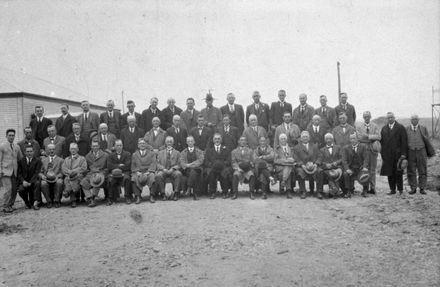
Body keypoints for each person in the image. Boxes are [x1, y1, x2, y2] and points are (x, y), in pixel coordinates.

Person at [380, 112, 408, 195]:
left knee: (398, 172)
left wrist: (403, 154)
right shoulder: (384, 128)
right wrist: (382, 153)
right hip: (387, 155)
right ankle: (392, 189)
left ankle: (400, 190)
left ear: (394, 118)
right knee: (389, 173)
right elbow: (382, 142)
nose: (390, 119)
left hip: (398, 154)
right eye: (388, 118)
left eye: (391, 117)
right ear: (386, 119)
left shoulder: (400, 127)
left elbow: (404, 142)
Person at [406, 114, 432, 195]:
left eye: (416, 119)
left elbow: (427, 140)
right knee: (411, 170)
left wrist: (428, 151)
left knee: (422, 170)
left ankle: (422, 188)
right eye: (413, 119)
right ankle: (413, 188)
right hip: (410, 151)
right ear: (410, 120)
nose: (414, 120)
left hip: (421, 151)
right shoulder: (406, 129)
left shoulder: (423, 128)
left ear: (418, 120)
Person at [356, 111, 381, 194]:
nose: (366, 118)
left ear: (370, 117)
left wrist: (368, 136)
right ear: (363, 118)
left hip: (373, 149)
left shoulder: (375, 126)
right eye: (365, 117)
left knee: (373, 169)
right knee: (365, 169)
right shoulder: (359, 127)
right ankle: (365, 188)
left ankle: (373, 188)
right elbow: (359, 138)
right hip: (363, 150)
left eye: (368, 116)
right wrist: (372, 138)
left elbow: (379, 137)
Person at [80, 140, 109, 207]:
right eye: (93, 146)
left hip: (101, 173)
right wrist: (89, 172)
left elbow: (108, 168)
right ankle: (90, 198)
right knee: (83, 182)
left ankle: (94, 197)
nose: (95, 147)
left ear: (99, 146)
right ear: (91, 147)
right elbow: (86, 168)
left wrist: (103, 172)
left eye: (96, 146)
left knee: (97, 179)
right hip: (91, 174)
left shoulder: (105, 155)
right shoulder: (87, 156)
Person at [203, 133, 232, 199]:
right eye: (215, 139)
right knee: (211, 173)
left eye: (219, 139)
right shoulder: (209, 150)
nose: (217, 140)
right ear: (213, 140)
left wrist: (222, 164)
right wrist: (212, 165)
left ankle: (225, 192)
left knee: (224, 172)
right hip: (213, 168)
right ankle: (212, 192)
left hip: (223, 168)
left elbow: (228, 160)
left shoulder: (226, 149)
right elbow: (206, 161)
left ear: (221, 140)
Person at [293, 131, 320, 199]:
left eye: (306, 137)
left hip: (313, 165)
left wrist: (316, 164)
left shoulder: (314, 146)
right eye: (303, 137)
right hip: (302, 166)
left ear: (309, 138)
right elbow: (296, 158)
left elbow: (319, 156)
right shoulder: (296, 147)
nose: (305, 138)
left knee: (320, 171)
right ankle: (303, 191)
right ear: (301, 139)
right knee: (300, 172)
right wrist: (302, 165)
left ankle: (318, 191)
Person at [1, 129, 23, 213]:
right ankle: (5, 206)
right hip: (5, 171)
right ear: (6, 136)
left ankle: (10, 205)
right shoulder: (2, 146)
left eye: (13, 135)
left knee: (14, 189)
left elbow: (20, 159)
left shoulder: (17, 147)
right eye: (9, 135)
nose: (11, 137)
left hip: (14, 171)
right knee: (8, 189)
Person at [342, 133, 369, 197]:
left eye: (354, 138)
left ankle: (365, 191)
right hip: (351, 168)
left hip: (360, 168)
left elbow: (366, 158)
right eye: (351, 139)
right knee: (346, 174)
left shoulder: (363, 146)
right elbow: (344, 160)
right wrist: (347, 169)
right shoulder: (346, 148)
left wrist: (364, 167)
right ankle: (348, 191)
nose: (352, 140)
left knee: (366, 172)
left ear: (357, 139)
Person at [316, 133, 343, 197]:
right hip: (327, 168)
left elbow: (342, 158)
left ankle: (333, 189)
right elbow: (320, 160)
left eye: (330, 138)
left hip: (337, 167)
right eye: (327, 139)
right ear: (325, 140)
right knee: (326, 172)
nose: (328, 140)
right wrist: (326, 164)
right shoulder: (322, 150)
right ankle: (335, 189)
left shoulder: (338, 147)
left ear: (332, 139)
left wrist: (336, 162)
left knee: (333, 172)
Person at [131, 138, 157, 204]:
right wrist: (137, 172)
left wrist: (149, 172)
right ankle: (138, 196)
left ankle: (152, 196)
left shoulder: (151, 153)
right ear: (138, 145)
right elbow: (133, 165)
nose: (142, 145)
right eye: (140, 143)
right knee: (134, 178)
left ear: (146, 144)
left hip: (148, 171)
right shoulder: (134, 154)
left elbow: (153, 163)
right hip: (138, 172)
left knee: (152, 176)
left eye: (143, 143)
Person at [38, 143, 64, 208]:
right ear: (47, 150)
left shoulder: (61, 160)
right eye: (50, 149)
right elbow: (39, 172)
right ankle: (48, 201)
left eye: (53, 149)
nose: (51, 151)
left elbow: (63, 171)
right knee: (43, 183)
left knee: (59, 182)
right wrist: (42, 176)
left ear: (55, 150)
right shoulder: (43, 160)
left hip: (56, 178)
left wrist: (58, 176)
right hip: (46, 178)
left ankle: (57, 201)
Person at [156, 137, 182, 201]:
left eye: (170, 142)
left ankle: (176, 193)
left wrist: (173, 169)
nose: (169, 143)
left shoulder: (177, 153)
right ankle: (163, 194)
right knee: (159, 175)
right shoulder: (160, 152)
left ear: (173, 143)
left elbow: (180, 164)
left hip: (173, 171)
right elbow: (157, 163)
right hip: (164, 170)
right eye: (168, 142)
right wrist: (163, 169)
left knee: (178, 174)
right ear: (165, 143)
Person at [62, 143, 87, 208]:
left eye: (75, 149)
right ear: (69, 150)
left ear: (78, 149)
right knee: (69, 179)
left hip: (79, 176)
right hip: (69, 177)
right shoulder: (66, 159)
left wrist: (74, 172)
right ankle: (72, 198)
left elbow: (83, 168)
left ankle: (69, 193)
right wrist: (69, 172)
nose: (73, 150)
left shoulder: (82, 158)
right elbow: (64, 169)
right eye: (71, 149)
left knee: (73, 180)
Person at [107, 139, 132, 205]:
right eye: (117, 145)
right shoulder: (110, 155)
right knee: (110, 179)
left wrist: (115, 166)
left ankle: (127, 197)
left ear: (122, 146)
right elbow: (109, 166)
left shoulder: (127, 154)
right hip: (113, 174)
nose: (119, 147)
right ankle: (111, 198)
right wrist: (119, 165)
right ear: (114, 146)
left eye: (120, 145)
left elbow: (127, 166)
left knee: (127, 178)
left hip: (124, 173)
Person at [17, 144, 42, 210]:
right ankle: (26, 202)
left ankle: (35, 203)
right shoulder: (21, 161)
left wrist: (30, 182)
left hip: (33, 181)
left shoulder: (38, 161)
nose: (29, 153)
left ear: (33, 152)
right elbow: (19, 174)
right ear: (25, 152)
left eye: (31, 151)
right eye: (27, 151)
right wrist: (23, 181)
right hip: (24, 181)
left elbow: (36, 173)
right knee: (20, 190)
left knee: (37, 183)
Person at [180, 136, 204, 200]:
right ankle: (194, 193)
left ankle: (188, 189)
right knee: (193, 173)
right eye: (188, 141)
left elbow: (200, 161)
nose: (190, 142)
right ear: (186, 142)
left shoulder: (199, 151)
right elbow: (182, 162)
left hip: (197, 169)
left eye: (191, 141)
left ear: (194, 142)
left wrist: (190, 165)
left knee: (193, 172)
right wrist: (187, 165)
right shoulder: (183, 152)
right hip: (187, 170)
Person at [273, 133, 295, 198]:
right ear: (279, 140)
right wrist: (285, 161)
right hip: (280, 167)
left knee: (288, 168)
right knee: (288, 168)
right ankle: (288, 191)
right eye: (281, 139)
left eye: (284, 139)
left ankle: (283, 182)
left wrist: (291, 160)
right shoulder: (277, 149)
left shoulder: (290, 148)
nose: (283, 140)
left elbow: (293, 159)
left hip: (289, 166)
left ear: (286, 140)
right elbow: (275, 160)